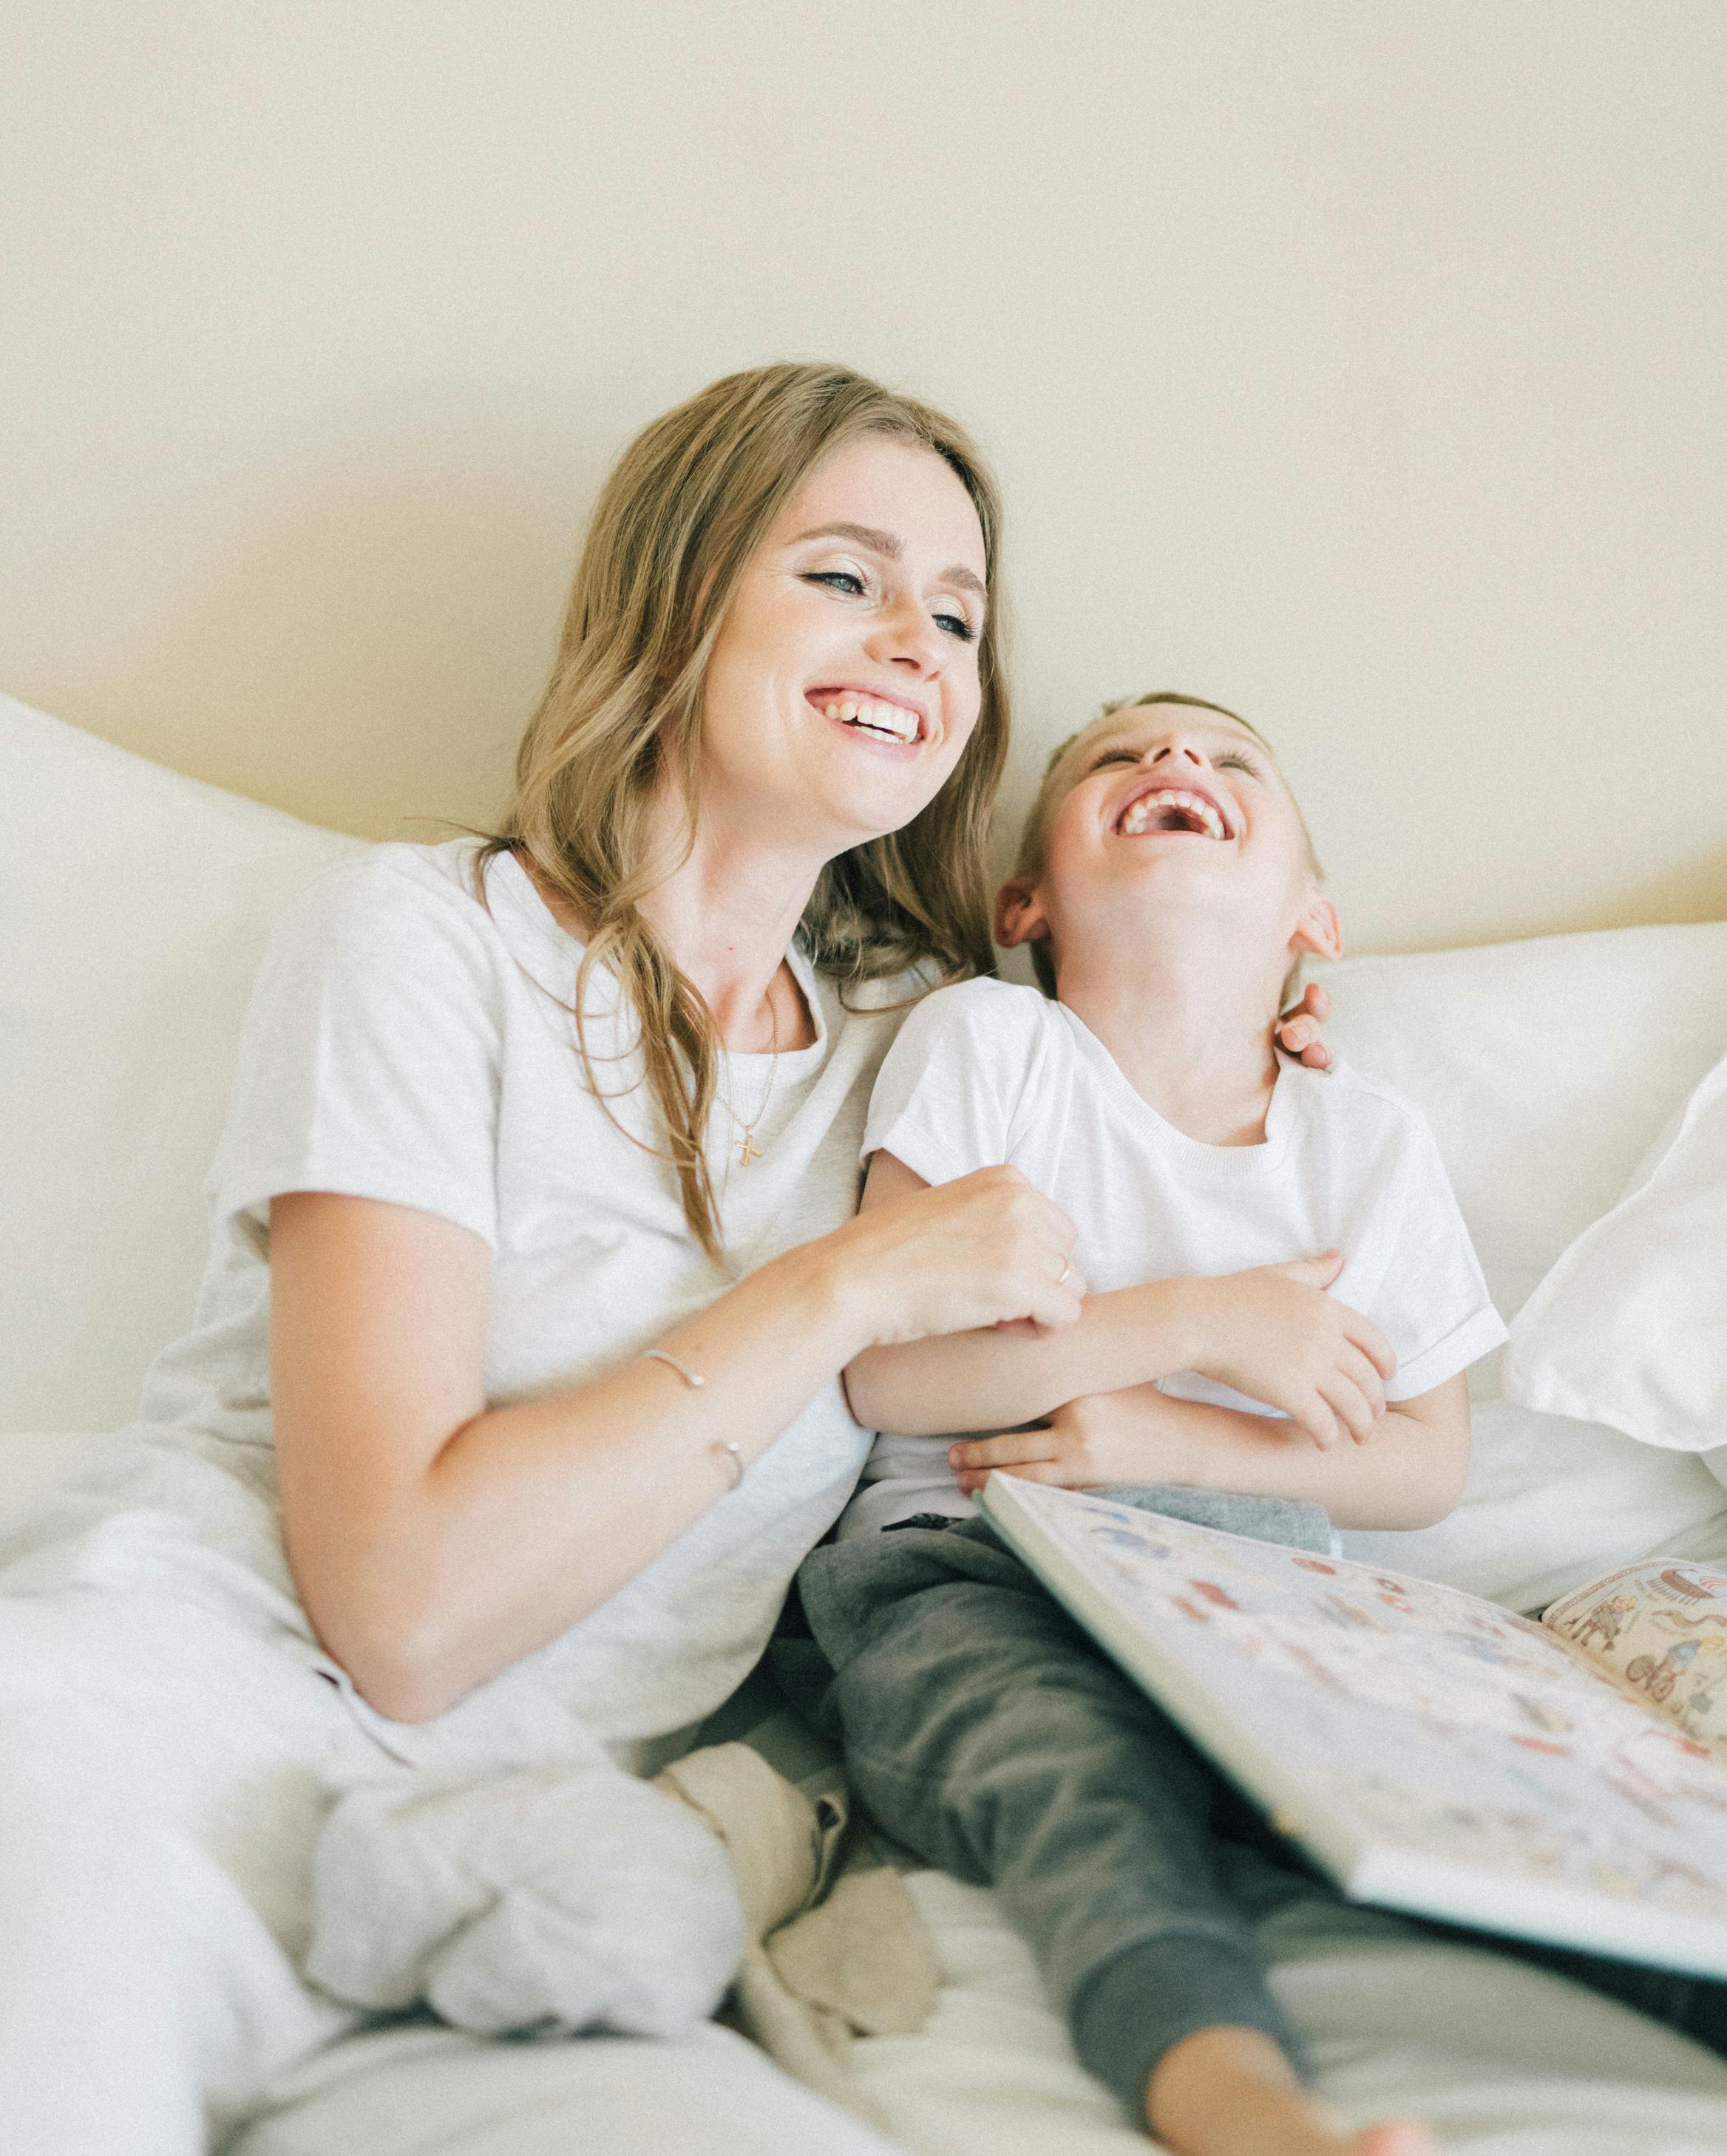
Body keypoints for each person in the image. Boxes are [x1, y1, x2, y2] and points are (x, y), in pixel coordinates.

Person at [0, 364, 1113, 2156]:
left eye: (960, 610)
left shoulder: (922, 1058)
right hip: (173, 1731)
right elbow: (406, 1610)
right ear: (672, 602)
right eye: (844, 575)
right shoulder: (424, 942)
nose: (917, 635)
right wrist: (836, 1285)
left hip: (531, 1873)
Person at [795, 693, 1727, 2156]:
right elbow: (884, 1379)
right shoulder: (991, 1045)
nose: (1177, 764)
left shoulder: (1365, 1141)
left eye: (1230, 763)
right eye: (1124, 756)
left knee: (1489, 1831)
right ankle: (1241, 2109)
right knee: (1078, 1790)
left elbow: (1425, 1462)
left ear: (1315, 921)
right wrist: (1197, 1320)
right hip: (969, 1569)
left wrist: (1167, 1439)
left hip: (1272, 1598)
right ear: (1024, 900)